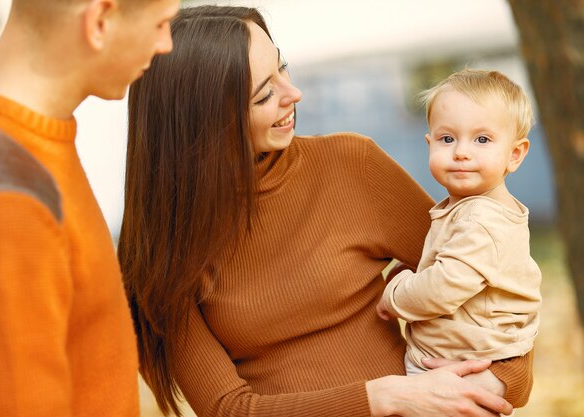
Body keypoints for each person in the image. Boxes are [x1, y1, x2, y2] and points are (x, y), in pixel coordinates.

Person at [119, 6, 533, 417]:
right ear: (206, 119)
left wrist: (495, 383)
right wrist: (382, 398)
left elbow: (494, 289)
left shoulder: (352, 165)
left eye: (284, 68)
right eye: (265, 92)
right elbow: (229, 410)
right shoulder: (164, 255)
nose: (292, 93)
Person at [0, 0, 180, 416]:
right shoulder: (5, 201)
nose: (166, 43)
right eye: (161, 23)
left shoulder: (25, 144)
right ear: (99, 20)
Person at [376, 69, 542, 382]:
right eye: (447, 138)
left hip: (460, 364)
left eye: (482, 139)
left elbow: (442, 288)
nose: (461, 152)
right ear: (429, 144)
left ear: (515, 154)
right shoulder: (473, 209)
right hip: (459, 355)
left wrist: (394, 295)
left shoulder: (482, 219)